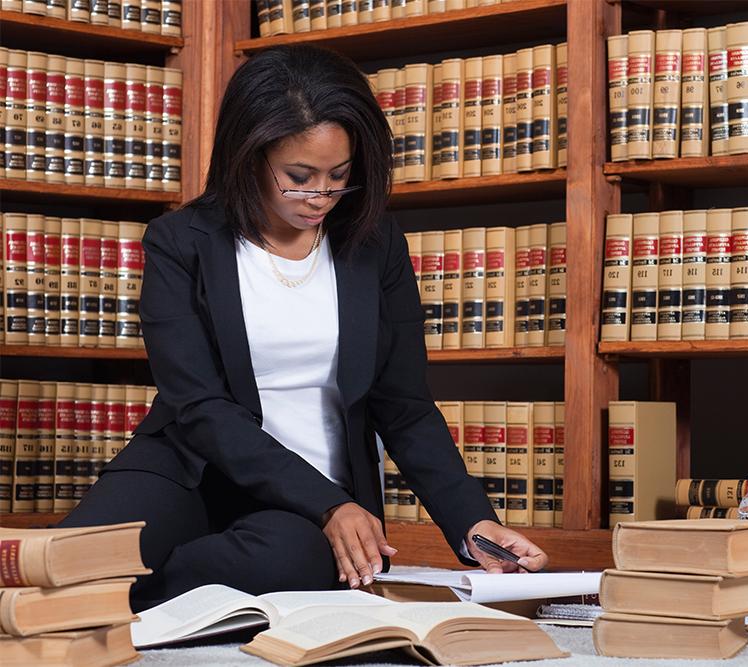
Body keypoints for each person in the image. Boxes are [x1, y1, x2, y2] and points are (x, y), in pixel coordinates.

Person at [60, 45, 548, 611]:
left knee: (298, 564)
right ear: (249, 156)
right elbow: (198, 405)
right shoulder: (180, 242)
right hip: (188, 470)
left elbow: (405, 406)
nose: (320, 196)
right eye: (299, 177)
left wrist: (475, 525)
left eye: (338, 177)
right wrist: (328, 504)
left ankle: (140, 590)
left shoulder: (376, 245)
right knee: (68, 562)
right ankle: (123, 583)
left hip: (310, 505)